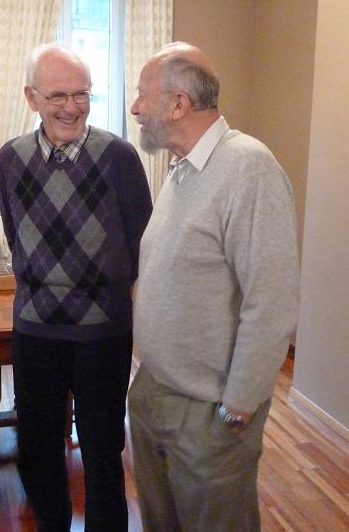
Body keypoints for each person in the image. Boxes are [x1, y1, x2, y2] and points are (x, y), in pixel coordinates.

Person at [128, 42, 300, 532]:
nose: (135, 108)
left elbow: (271, 303)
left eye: (143, 95)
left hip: (207, 414)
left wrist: (236, 411)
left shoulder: (248, 167)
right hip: (154, 392)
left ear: (178, 104)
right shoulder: (182, 169)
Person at [0, 43, 152, 532]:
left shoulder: (120, 156)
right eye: (57, 95)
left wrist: (107, 291)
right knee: (37, 444)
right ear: (32, 97)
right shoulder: (10, 159)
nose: (71, 107)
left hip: (103, 332)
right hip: (35, 328)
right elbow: (16, 234)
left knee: (104, 448)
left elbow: (142, 239)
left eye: (81, 94)